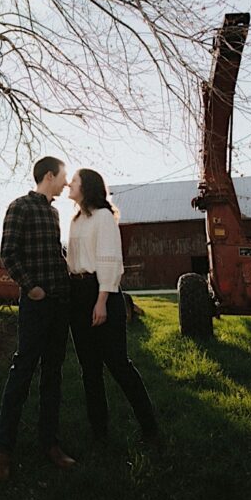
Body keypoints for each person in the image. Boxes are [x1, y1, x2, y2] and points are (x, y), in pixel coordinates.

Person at [0, 156, 76, 482]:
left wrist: (70, 269)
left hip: (60, 305)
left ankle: (50, 444)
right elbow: (8, 254)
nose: (66, 182)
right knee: (22, 373)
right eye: (63, 176)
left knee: (52, 376)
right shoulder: (20, 207)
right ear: (49, 175)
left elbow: (54, 253)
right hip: (36, 305)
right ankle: (2, 451)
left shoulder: (55, 213)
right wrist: (32, 286)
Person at [66, 168, 159, 443]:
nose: (70, 184)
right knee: (89, 369)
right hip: (78, 294)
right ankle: (100, 433)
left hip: (102, 293)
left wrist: (102, 301)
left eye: (74, 181)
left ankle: (150, 428)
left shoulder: (104, 217)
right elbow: (73, 260)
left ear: (87, 187)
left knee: (118, 365)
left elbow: (109, 261)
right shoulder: (75, 219)